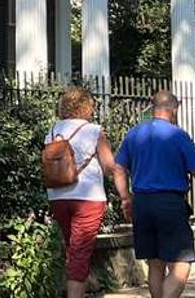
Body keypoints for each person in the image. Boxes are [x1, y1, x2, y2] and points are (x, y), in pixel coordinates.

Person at [114, 90, 195, 298]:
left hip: (142, 203)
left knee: (155, 264)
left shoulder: (134, 133)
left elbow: (118, 168)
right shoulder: (178, 135)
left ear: (153, 108)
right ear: (174, 109)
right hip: (170, 204)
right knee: (182, 263)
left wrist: (125, 198)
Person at [45, 87, 124, 298]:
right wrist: (124, 194)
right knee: (80, 253)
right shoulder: (93, 131)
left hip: (58, 196)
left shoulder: (52, 131)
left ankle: (77, 291)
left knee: (73, 249)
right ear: (86, 106)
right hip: (88, 199)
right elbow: (109, 166)